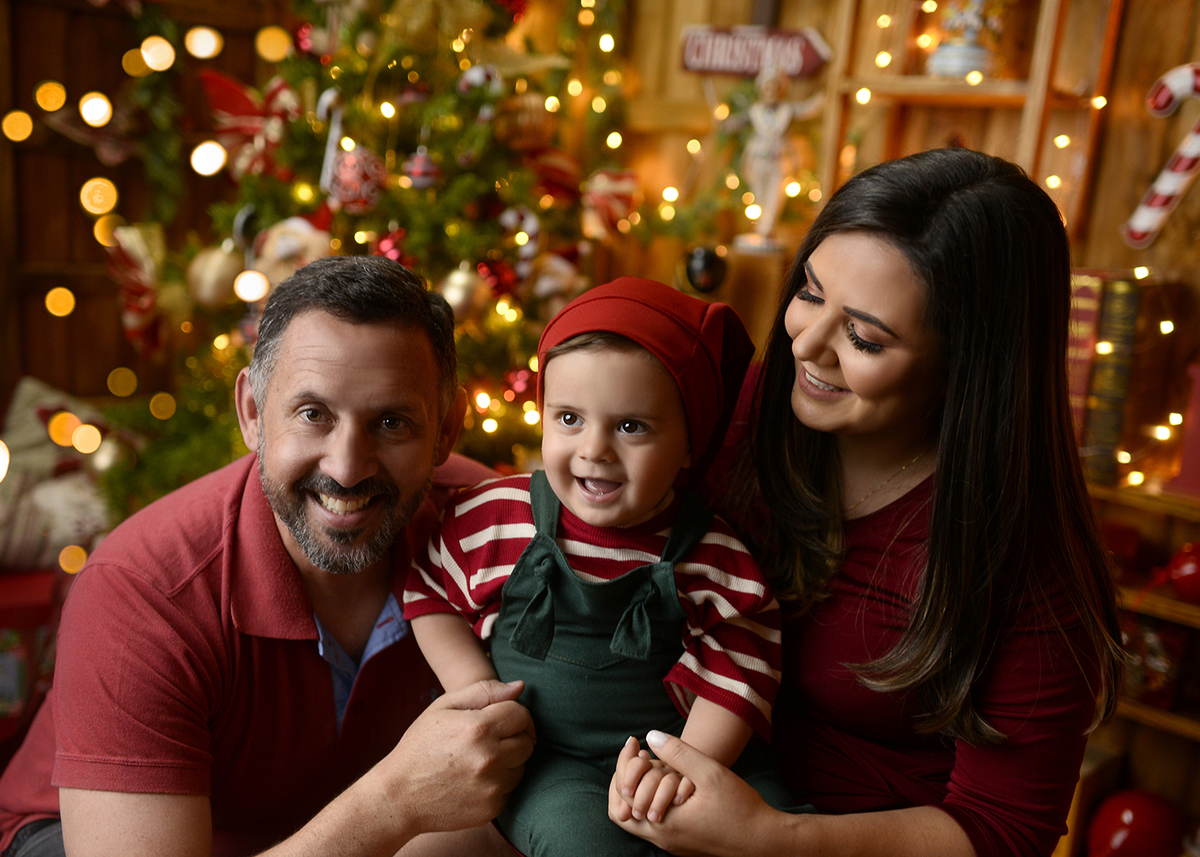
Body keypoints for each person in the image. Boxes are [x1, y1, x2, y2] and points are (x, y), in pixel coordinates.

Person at [609, 148, 1126, 857]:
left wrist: (772, 837)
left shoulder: (1026, 557)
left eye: (864, 337)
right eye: (810, 293)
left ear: (966, 364)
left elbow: (1006, 831)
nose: (807, 345)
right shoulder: (744, 405)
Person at [0, 256, 535, 857]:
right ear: (252, 413)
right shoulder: (144, 590)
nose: (347, 468)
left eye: (391, 422)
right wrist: (394, 802)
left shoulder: (497, 532)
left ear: (446, 430)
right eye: (313, 415)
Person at [403, 278, 797, 857]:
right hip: (546, 759)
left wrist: (685, 767)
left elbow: (740, 672)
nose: (594, 449)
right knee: (580, 841)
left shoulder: (710, 552)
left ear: (690, 443)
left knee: (777, 821)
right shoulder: (496, 516)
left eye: (631, 426)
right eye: (569, 418)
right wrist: (475, 690)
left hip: (679, 750)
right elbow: (430, 590)